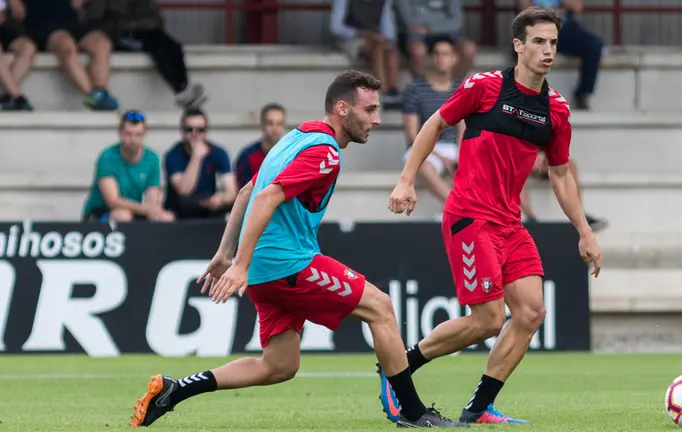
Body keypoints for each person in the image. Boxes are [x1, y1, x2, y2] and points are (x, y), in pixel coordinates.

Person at [129, 70, 466, 429]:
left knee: (279, 365)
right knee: (380, 307)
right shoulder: (325, 152)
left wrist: (226, 254)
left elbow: (246, 191)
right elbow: (267, 196)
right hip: (285, 262)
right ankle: (415, 415)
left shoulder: (296, 136)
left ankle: (172, 391)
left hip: (265, 268)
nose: (377, 119)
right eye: (370, 110)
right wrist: (238, 265)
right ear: (342, 108)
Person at [382, 6, 602, 425]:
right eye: (538, 41)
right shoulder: (484, 87)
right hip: (470, 215)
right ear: (518, 46)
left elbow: (560, 176)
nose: (548, 50)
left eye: (553, 42)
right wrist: (406, 180)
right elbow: (432, 124)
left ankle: (478, 409)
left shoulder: (555, 110)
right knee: (488, 319)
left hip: (509, 223)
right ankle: (397, 368)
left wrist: (584, 232)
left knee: (532, 311)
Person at [84, 0, 207, 108]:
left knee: (172, 46)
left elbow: (155, 17)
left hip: (147, 30)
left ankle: (182, 88)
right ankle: (181, 92)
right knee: (157, 48)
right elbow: (94, 19)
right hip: (120, 34)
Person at [8, 0, 120, 110]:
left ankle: (100, 91)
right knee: (66, 45)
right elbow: (16, 11)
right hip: (42, 26)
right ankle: (91, 94)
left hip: (72, 24)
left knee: (102, 43)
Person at [401, 39, 463, 216]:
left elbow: (464, 129)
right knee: (422, 165)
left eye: (445, 54)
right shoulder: (414, 89)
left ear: (454, 58)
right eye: (436, 54)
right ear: (430, 58)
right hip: (424, 146)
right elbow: (413, 134)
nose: (440, 58)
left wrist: (462, 154)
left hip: (454, 147)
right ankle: (459, 210)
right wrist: (441, 158)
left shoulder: (461, 89)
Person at [82, 110, 174, 222]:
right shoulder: (108, 156)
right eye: (129, 134)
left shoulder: (152, 158)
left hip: (134, 210)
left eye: (138, 134)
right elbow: (113, 201)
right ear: (120, 133)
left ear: (145, 134)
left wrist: (155, 212)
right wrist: (146, 209)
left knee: (166, 218)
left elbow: (153, 195)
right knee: (123, 216)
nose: (133, 139)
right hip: (101, 212)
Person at [163, 108, 237, 219]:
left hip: (208, 209)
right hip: (180, 212)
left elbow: (231, 191)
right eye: (189, 129)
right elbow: (184, 191)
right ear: (182, 131)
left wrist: (220, 198)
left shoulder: (218, 152)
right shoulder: (173, 155)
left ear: (206, 131)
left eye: (200, 130)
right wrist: (196, 157)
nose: (194, 134)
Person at [234, 103, 286, 188]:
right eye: (270, 123)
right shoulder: (248, 156)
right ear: (262, 125)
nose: (275, 128)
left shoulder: (291, 156)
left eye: (279, 123)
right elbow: (242, 192)